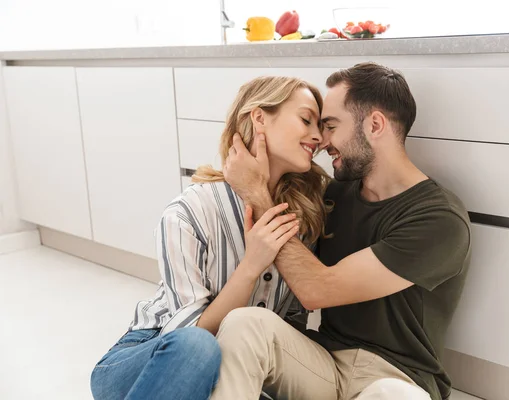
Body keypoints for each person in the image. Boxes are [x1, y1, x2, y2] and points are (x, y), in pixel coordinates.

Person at [210, 62, 472, 400]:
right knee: (244, 324)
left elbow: (317, 290)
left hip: (397, 378)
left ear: (375, 125)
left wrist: (256, 194)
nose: (321, 141)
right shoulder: (333, 196)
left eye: (331, 126)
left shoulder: (439, 218)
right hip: (323, 365)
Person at [89, 75, 331, 400]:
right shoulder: (191, 211)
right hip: (148, 357)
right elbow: (190, 337)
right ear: (259, 118)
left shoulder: (303, 216)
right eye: (305, 120)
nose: (317, 136)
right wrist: (251, 266)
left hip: (235, 365)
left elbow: (291, 324)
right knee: (198, 347)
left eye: (320, 125)